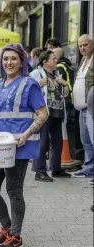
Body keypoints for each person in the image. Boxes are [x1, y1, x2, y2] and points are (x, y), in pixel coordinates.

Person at [0, 43, 48, 247]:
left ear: (21, 62)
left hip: (19, 147)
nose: (8, 62)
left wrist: (26, 135)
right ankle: (7, 225)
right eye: (5, 59)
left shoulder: (29, 84)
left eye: (13, 58)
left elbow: (43, 113)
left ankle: (16, 236)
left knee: (13, 190)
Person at [30, 50, 71, 182]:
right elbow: (27, 90)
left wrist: (64, 84)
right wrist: (38, 84)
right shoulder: (36, 73)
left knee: (57, 141)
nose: (56, 60)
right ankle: (40, 171)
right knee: (42, 142)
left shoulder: (57, 74)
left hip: (57, 111)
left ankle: (56, 168)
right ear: (45, 62)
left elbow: (64, 94)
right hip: (44, 113)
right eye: (53, 59)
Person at [72, 34, 93, 178]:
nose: (82, 48)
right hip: (81, 108)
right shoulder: (83, 60)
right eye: (80, 46)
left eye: (85, 45)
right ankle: (89, 168)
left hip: (91, 108)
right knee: (86, 141)